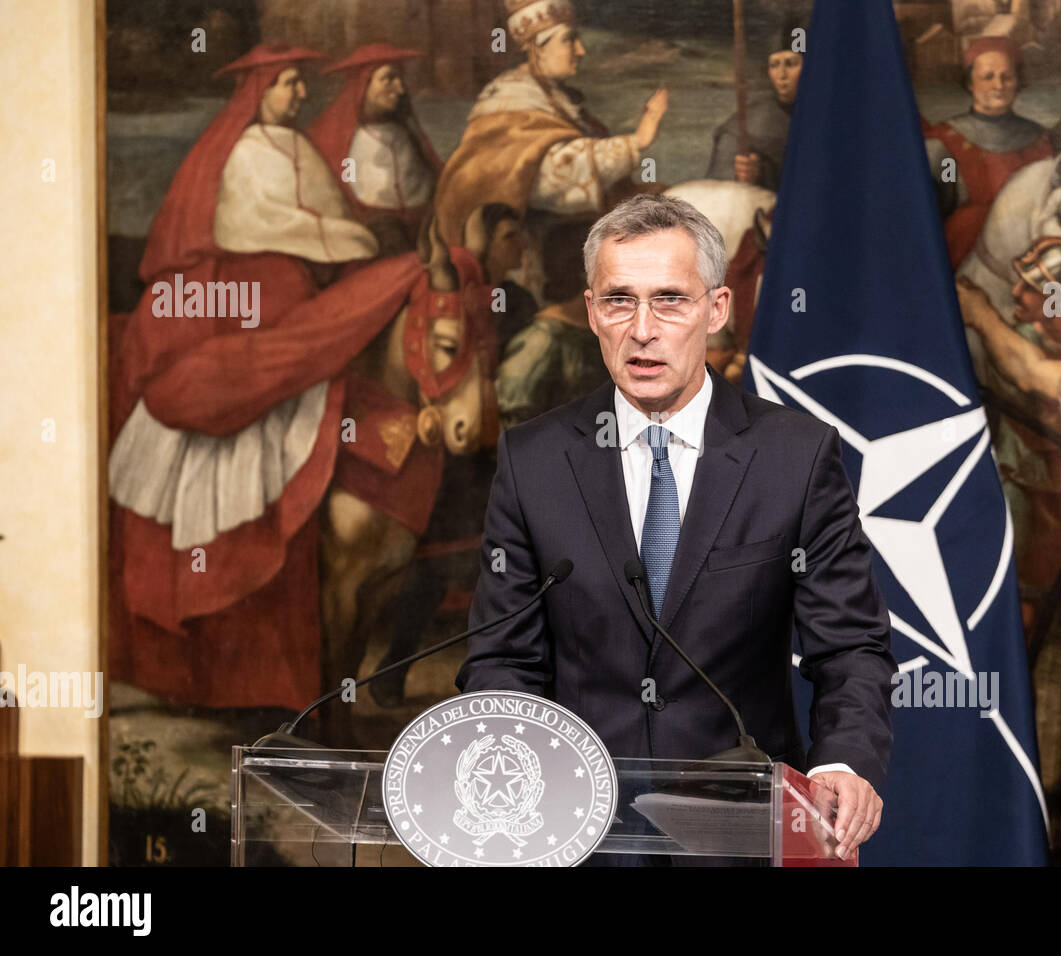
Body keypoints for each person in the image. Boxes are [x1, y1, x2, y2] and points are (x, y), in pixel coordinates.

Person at [457, 195, 895, 859]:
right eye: (618, 301)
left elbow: (851, 647)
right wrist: (508, 786)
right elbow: (502, 660)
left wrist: (839, 764)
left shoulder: (795, 457)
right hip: (576, 835)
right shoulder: (534, 460)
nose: (642, 329)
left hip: (743, 832)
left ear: (716, 309)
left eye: (669, 300)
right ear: (590, 313)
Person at [107, 45, 426, 710]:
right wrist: (353, 242)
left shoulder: (301, 148)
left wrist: (355, 237)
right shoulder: (248, 149)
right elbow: (264, 223)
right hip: (257, 301)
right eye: (285, 84)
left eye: (299, 85)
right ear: (258, 92)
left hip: (302, 291)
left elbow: (328, 217)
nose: (298, 95)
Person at [432, 0, 668, 249]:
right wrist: (636, 142)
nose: (580, 50)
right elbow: (546, 179)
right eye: (569, 40)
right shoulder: (509, 101)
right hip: (524, 248)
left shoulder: (557, 98)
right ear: (537, 48)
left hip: (563, 232)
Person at [924, 36, 1058, 267]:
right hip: (963, 266)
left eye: (1007, 77)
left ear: (1018, 81)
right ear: (969, 83)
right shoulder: (943, 144)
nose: (999, 85)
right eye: (988, 77)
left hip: (1036, 266)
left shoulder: (1045, 141)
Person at [308, 43, 444, 255]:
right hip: (376, 235)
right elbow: (343, 189)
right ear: (363, 84)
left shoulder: (406, 132)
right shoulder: (343, 138)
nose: (399, 89)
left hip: (424, 227)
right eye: (388, 79)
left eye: (400, 79)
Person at [705, 16, 804, 190]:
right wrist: (743, 174)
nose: (782, 74)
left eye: (791, 63)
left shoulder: (827, 114)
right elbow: (718, 185)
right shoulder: (746, 123)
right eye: (774, 65)